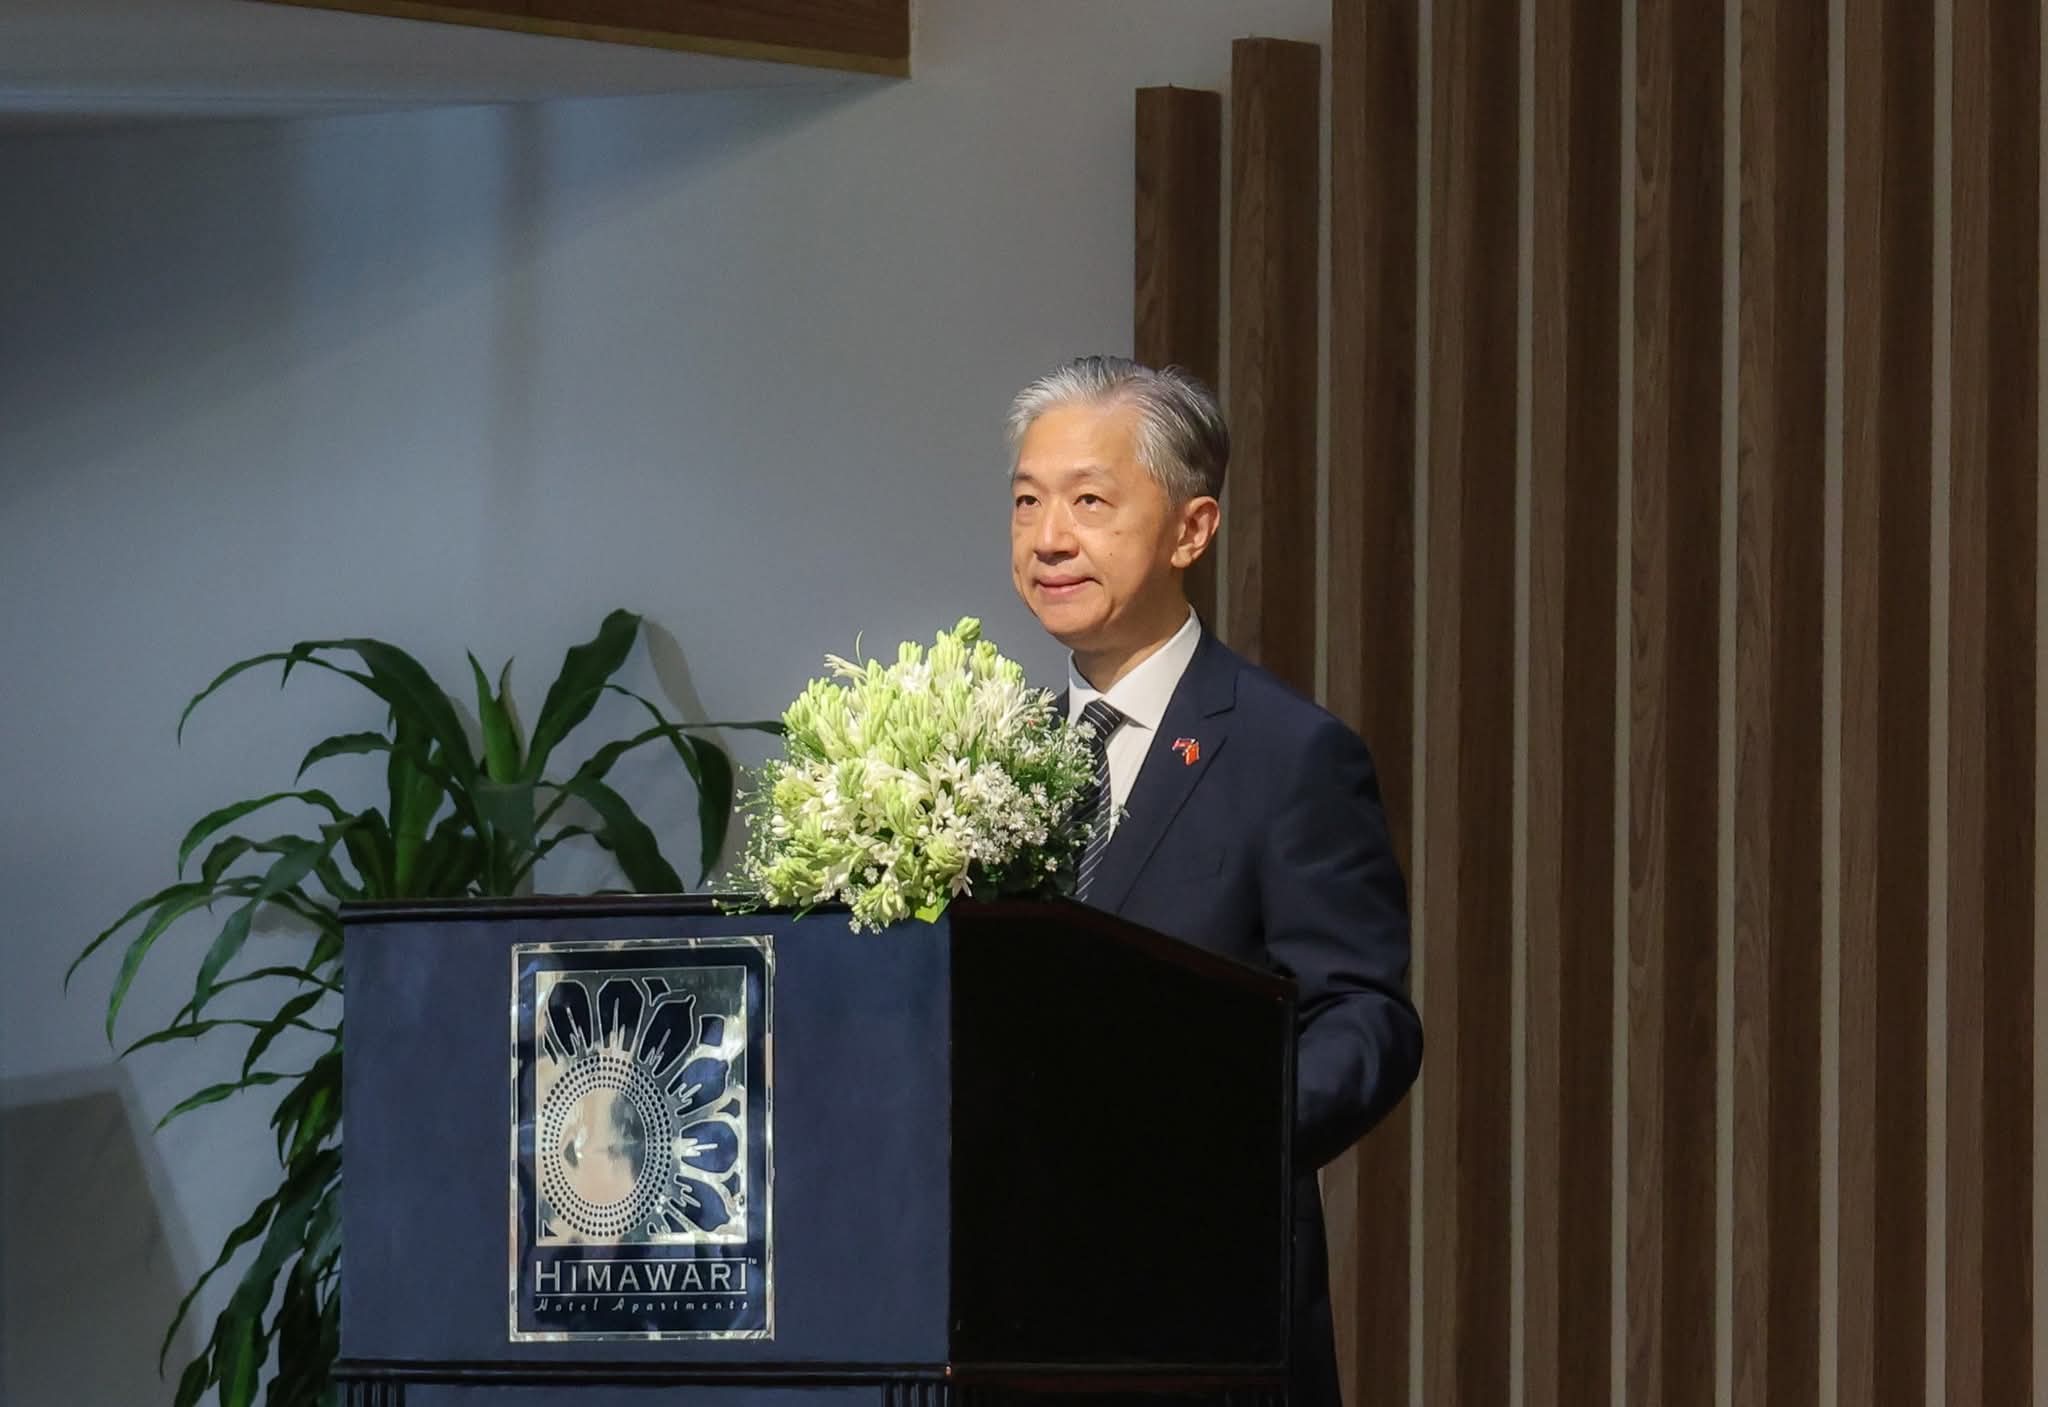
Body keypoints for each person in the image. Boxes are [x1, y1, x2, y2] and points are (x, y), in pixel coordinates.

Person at [1006, 355, 1423, 1407]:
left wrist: (1212, 1141)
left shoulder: (1289, 753)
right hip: (1003, 1316)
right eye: (1026, 502)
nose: (1048, 539)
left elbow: (1364, 1015)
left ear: (1191, 530)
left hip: (1199, 1319)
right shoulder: (985, 756)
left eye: (1089, 502)